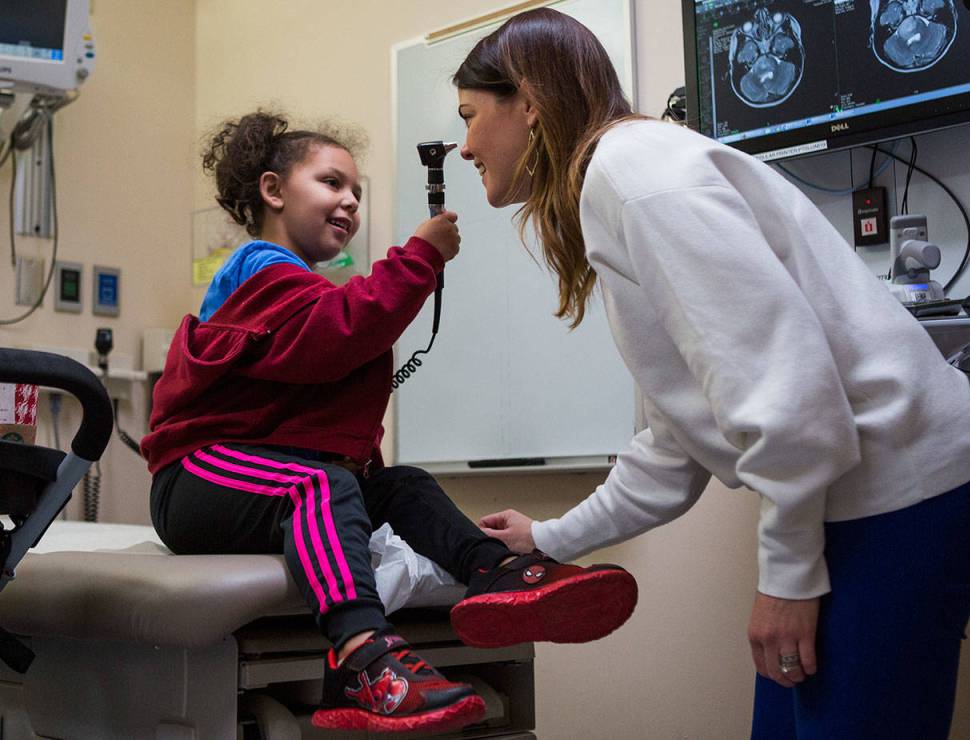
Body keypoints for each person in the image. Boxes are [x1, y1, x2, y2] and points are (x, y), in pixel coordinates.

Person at [452, 9, 970, 740]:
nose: (465, 145)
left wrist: (787, 580)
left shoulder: (635, 176)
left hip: (907, 500)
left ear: (527, 100)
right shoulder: (623, 181)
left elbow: (787, 397)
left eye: (471, 116)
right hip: (873, 504)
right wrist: (551, 537)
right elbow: (674, 445)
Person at [140, 110, 638, 735]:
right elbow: (340, 332)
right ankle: (360, 656)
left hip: (256, 483)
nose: (349, 201)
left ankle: (496, 573)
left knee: (402, 485)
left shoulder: (306, 288)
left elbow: (327, 368)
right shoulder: (257, 271)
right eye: (330, 183)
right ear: (273, 191)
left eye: (356, 192)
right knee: (320, 485)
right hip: (198, 480)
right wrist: (419, 258)